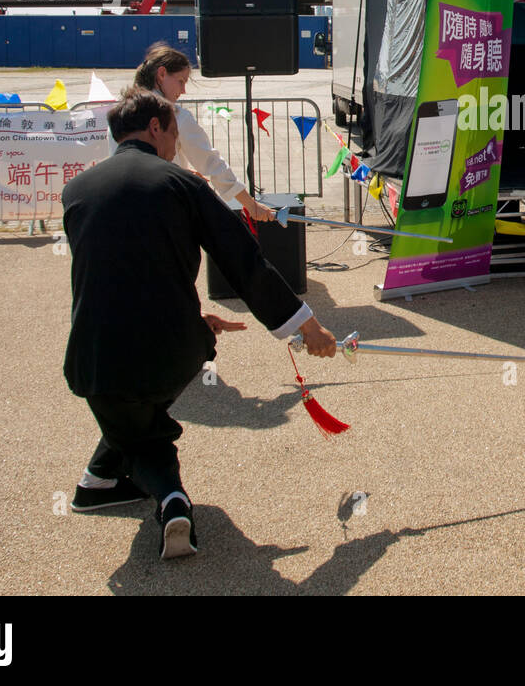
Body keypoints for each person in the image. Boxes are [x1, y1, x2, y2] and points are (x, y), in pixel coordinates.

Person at [62, 89, 337, 559]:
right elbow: (243, 262)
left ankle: (99, 480)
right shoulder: (183, 186)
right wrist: (307, 327)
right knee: (146, 435)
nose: (176, 145)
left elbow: (117, 274)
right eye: (174, 133)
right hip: (171, 349)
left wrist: (194, 316)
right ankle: (171, 500)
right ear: (155, 128)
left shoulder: (77, 190)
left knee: (124, 408)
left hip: (93, 354)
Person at [133, 42, 276, 222]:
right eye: (181, 81)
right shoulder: (176, 117)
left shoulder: (120, 115)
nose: (183, 90)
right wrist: (251, 205)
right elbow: (212, 163)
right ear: (161, 74)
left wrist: (183, 172)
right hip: (164, 214)